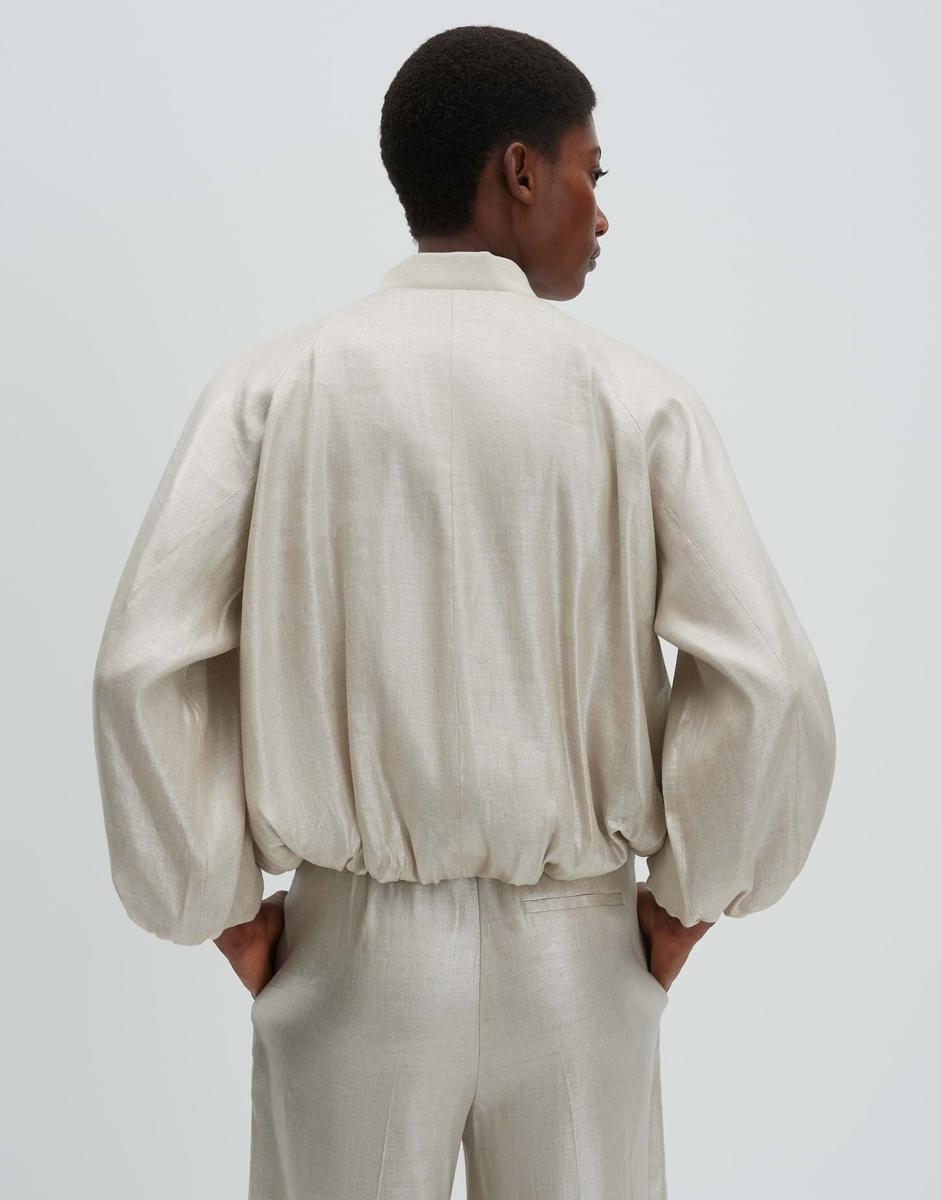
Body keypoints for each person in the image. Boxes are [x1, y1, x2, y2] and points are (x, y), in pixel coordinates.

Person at [91, 23, 837, 1200]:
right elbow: (766, 678)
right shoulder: (635, 400)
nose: (601, 213)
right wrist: (690, 899)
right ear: (518, 170)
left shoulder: (273, 388)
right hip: (578, 958)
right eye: (589, 170)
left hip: (351, 954)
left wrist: (218, 907)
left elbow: (141, 664)